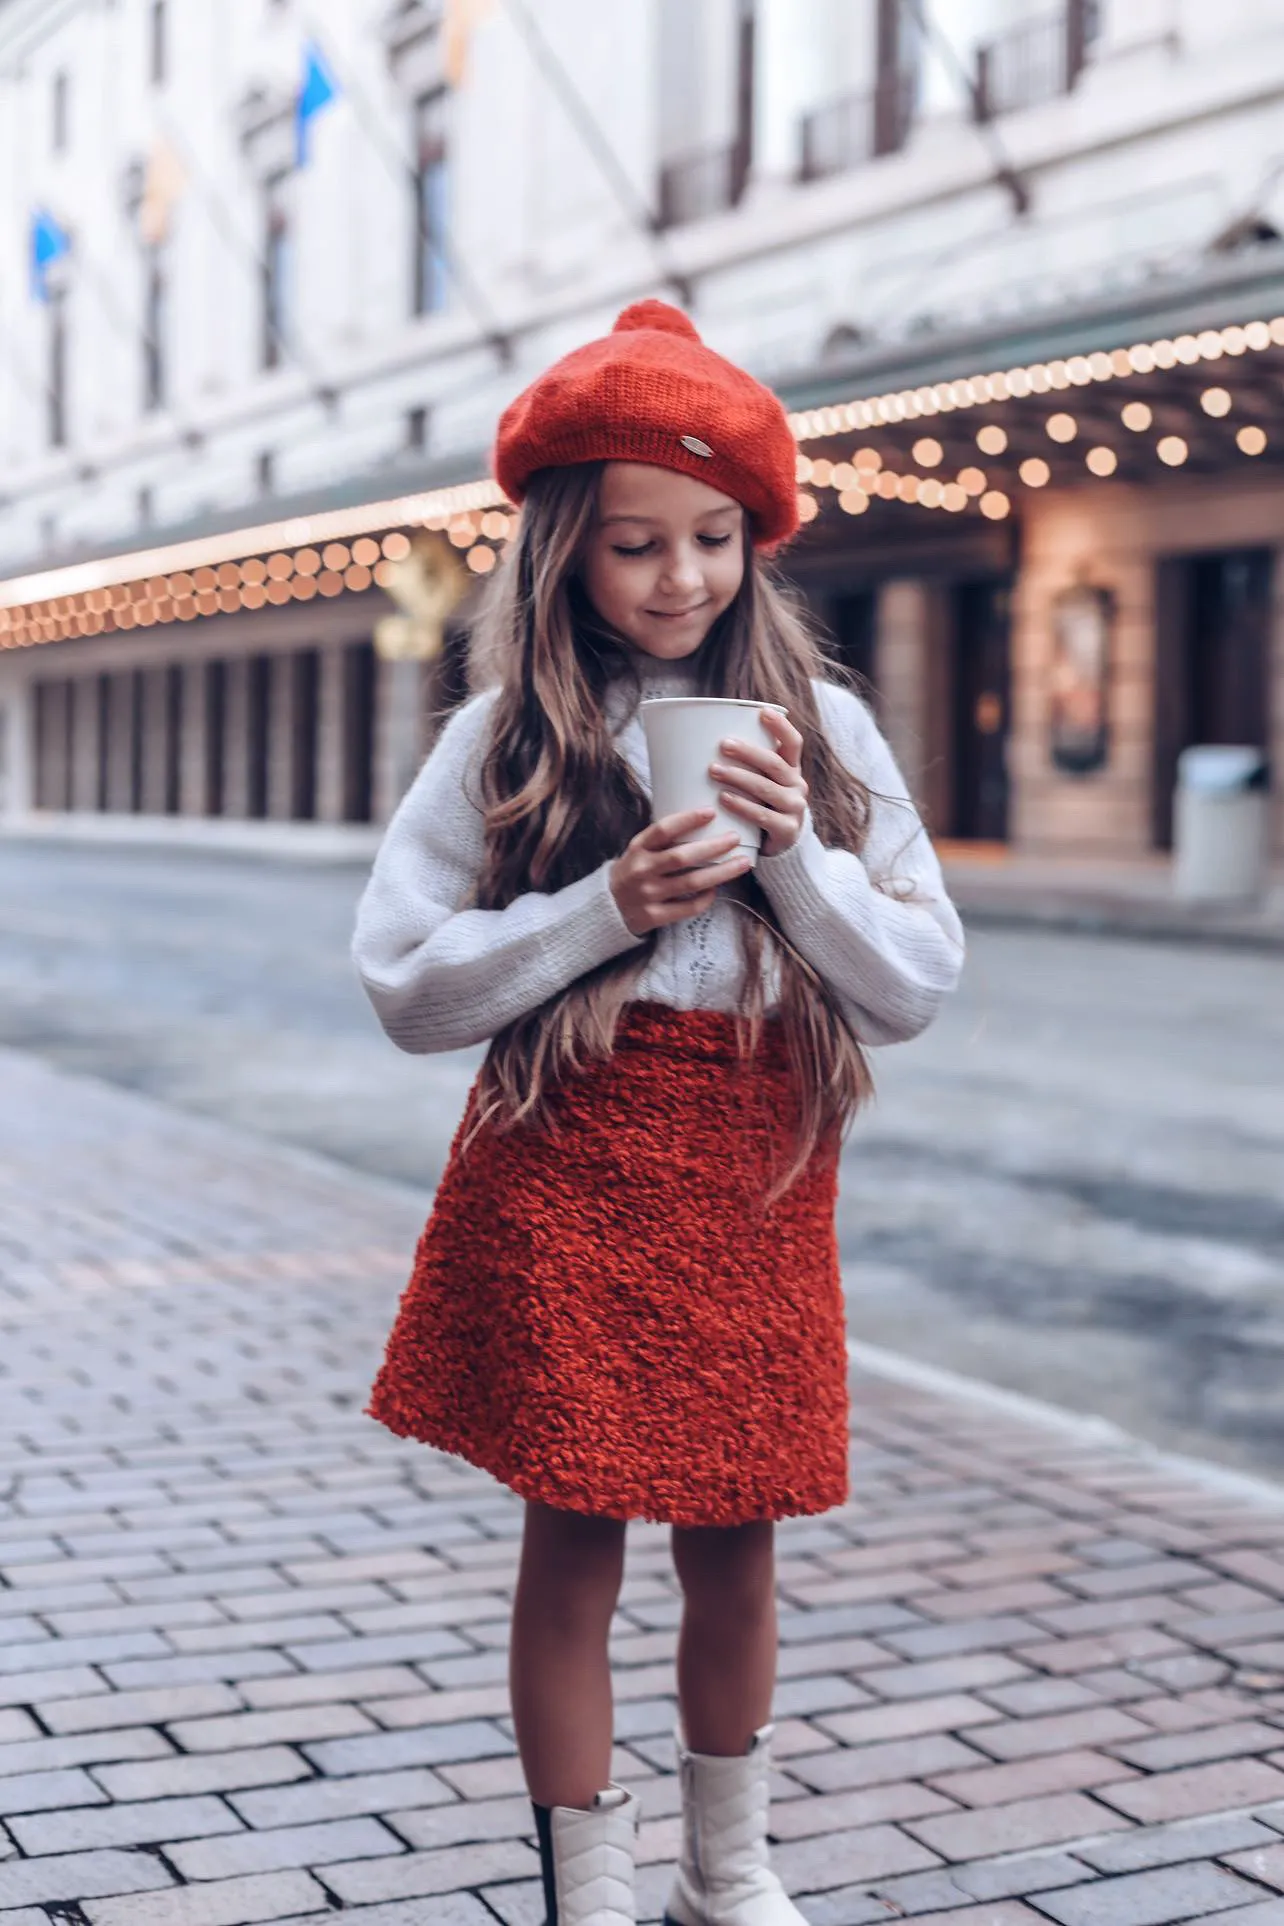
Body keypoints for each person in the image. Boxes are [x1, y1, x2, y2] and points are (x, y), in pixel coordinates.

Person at [353, 300, 964, 1926]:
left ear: (756, 548)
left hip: (756, 1163)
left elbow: (914, 978)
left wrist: (794, 859)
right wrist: (606, 903)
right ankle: (590, 1885)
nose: (680, 578)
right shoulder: (506, 736)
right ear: (562, 550)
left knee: (739, 1536)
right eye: (636, 544)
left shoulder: (825, 734)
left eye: (713, 539)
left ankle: (729, 1866)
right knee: (575, 1533)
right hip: (571, 1156)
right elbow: (406, 987)